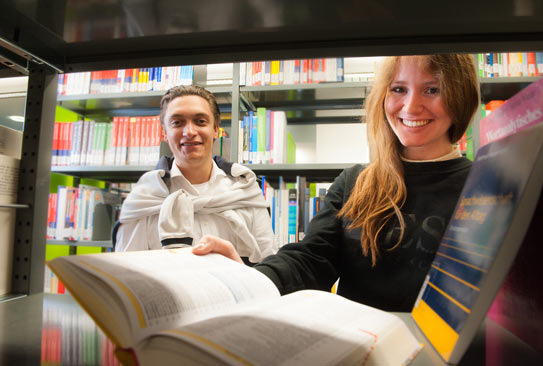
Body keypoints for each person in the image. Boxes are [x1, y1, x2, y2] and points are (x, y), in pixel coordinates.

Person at [193, 54, 480, 311]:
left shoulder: (484, 184)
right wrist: (249, 278)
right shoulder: (355, 182)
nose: (411, 105)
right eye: (398, 89)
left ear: (459, 95)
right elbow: (311, 260)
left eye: (432, 89)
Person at [115, 85, 276, 263]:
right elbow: (129, 271)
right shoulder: (145, 198)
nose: (189, 132)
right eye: (177, 122)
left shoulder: (245, 189)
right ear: (164, 133)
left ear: (215, 129)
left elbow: (266, 265)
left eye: (200, 121)